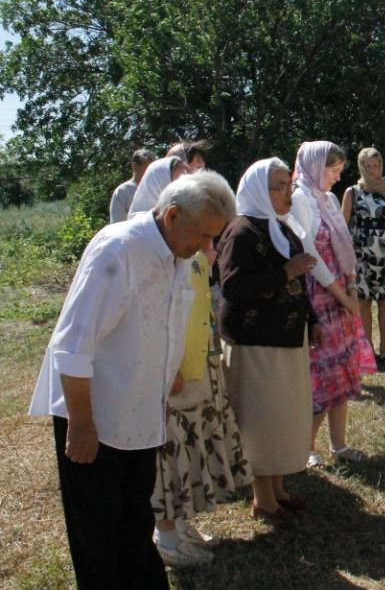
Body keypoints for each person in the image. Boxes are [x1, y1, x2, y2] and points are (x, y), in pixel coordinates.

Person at [28, 170, 236, 589]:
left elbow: (162, 328)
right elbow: (72, 347)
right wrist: (82, 426)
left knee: (135, 525)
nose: (207, 248)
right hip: (96, 422)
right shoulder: (118, 248)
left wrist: (164, 382)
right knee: (98, 541)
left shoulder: (179, 255)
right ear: (172, 215)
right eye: (203, 235)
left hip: (142, 417)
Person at [125, 167, 254, 568]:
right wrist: (174, 367)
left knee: (191, 445)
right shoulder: (146, 249)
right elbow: (154, 319)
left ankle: (180, 525)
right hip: (175, 368)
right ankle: (164, 533)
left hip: (198, 360)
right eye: (180, 174)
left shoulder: (187, 243)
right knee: (168, 453)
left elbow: (197, 304)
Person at [218, 158, 321, 526]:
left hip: (287, 338)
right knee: (262, 420)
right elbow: (232, 287)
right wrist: (284, 271)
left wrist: (313, 319)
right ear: (260, 190)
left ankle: (277, 489)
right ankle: (263, 500)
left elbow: (300, 280)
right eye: (278, 186)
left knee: (284, 416)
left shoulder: (282, 227)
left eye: (288, 184)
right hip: (256, 343)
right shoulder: (242, 231)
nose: (287, 192)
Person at [291, 142, 376, 467]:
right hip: (319, 297)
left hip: (340, 293)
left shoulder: (325, 198)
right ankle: (307, 447)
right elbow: (310, 255)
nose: (338, 177)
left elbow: (344, 245)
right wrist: (343, 297)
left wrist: (351, 286)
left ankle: (338, 445)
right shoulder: (300, 199)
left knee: (341, 370)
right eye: (333, 170)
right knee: (322, 372)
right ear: (314, 167)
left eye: (341, 170)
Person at [342, 148, 385, 361]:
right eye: (367, 166)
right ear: (361, 167)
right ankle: (367, 349)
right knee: (364, 303)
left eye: (375, 165)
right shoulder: (352, 193)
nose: (372, 170)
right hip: (360, 256)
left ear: (381, 165)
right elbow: (342, 227)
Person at [109, 148, 156, 222]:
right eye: (147, 167)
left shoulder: (156, 189)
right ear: (134, 166)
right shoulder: (122, 191)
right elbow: (116, 223)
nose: (150, 170)